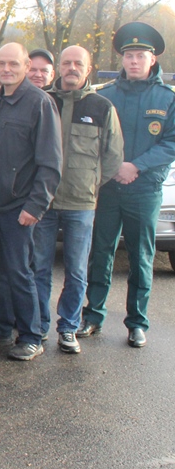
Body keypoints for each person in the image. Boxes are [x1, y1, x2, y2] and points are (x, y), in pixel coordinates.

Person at [81, 22, 175, 349]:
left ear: (152, 59)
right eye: (128, 55)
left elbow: (171, 142)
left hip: (144, 190)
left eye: (140, 55)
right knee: (100, 254)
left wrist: (136, 165)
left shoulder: (167, 98)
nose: (133, 61)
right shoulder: (103, 97)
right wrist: (115, 168)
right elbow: (93, 140)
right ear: (121, 59)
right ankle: (93, 315)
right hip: (108, 188)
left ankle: (137, 323)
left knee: (141, 257)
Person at [0, 42, 63, 361]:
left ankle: (31, 335)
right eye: (2, 63)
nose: (6, 69)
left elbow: (50, 163)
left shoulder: (39, 103)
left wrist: (35, 207)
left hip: (20, 208)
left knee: (20, 272)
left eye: (13, 64)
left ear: (25, 66)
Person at [32, 46, 123, 354]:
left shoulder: (102, 107)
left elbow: (113, 156)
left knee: (76, 271)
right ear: (58, 68)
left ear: (88, 69)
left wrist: (92, 184)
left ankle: (68, 327)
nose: (71, 68)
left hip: (81, 204)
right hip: (43, 203)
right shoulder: (44, 102)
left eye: (78, 64)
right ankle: (39, 326)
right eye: (66, 63)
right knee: (39, 268)